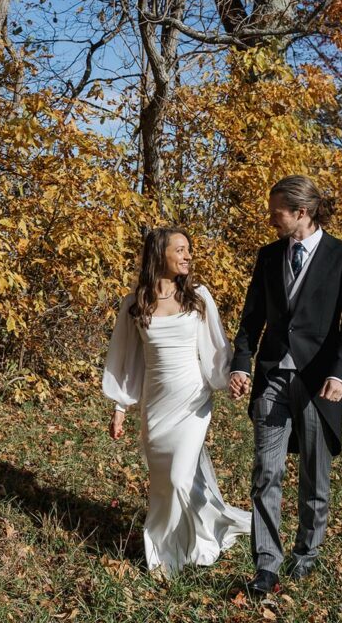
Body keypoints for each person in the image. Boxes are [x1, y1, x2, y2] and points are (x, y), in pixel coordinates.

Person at [229, 175, 342, 596]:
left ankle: (306, 554)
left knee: (314, 475)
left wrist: (340, 375)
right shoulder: (268, 257)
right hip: (272, 379)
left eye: (277, 214)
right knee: (265, 473)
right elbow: (252, 319)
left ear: (301, 213)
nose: (272, 220)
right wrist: (241, 365)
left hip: (318, 384)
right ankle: (266, 565)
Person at [103, 226, 250, 575]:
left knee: (181, 478)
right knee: (164, 482)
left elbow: (215, 346)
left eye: (188, 250)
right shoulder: (135, 302)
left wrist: (229, 376)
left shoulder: (198, 296)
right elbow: (126, 360)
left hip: (191, 400)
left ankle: (179, 552)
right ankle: (172, 543)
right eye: (180, 250)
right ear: (160, 255)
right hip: (156, 404)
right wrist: (121, 406)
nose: (187, 256)